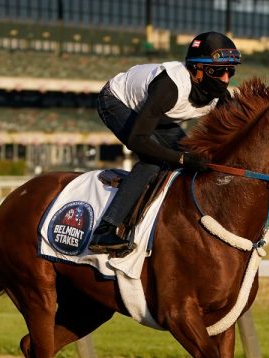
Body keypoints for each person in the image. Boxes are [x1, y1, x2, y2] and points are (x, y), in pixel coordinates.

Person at [88, 31, 241, 254]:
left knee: (193, 155)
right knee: (154, 160)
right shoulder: (169, 86)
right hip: (117, 101)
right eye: (218, 71)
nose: (226, 79)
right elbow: (137, 140)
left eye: (230, 71)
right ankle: (105, 230)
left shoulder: (220, 96)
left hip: (157, 114)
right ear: (196, 70)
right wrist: (181, 158)